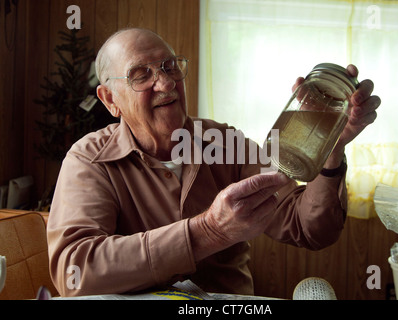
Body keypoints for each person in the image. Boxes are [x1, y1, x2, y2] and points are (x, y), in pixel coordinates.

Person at [47, 28, 380, 297]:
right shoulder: (89, 159)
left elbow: (310, 230)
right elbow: (73, 272)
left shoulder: (226, 144)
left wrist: (330, 150)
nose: (165, 83)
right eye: (140, 75)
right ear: (109, 100)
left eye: (169, 66)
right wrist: (207, 232)